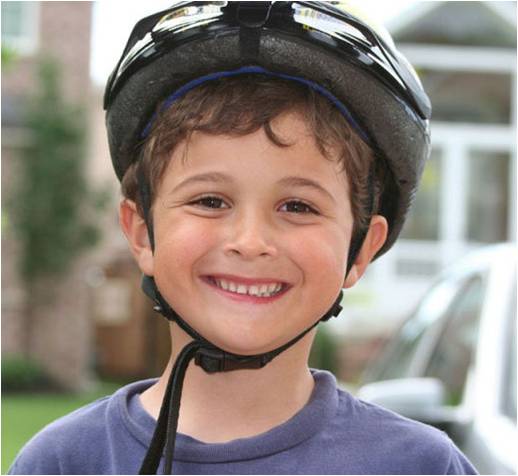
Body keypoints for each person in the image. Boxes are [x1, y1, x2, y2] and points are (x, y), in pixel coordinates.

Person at [9, 2, 477, 474]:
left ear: (361, 250)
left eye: (298, 207)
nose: (250, 241)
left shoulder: (420, 465)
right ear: (142, 233)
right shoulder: (65, 463)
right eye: (210, 201)